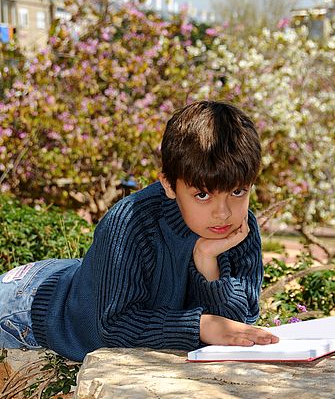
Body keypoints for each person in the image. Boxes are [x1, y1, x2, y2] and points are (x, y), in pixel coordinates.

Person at [0, 100, 279, 362]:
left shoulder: (240, 230)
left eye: (238, 191)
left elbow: (239, 324)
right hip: (28, 305)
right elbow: (111, 326)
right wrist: (198, 326)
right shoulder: (131, 221)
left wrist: (207, 262)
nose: (223, 212)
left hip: (87, 277)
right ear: (169, 184)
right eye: (203, 195)